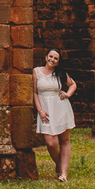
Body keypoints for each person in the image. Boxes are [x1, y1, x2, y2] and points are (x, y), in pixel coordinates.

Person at [33, 48, 76, 181]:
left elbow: (73, 84)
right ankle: (59, 165)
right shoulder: (37, 72)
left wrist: (68, 94)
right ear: (46, 57)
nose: (52, 59)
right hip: (46, 110)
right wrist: (40, 110)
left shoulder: (60, 73)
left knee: (64, 140)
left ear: (58, 62)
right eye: (50, 57)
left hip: (61, 108)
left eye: (55, 58)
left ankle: (63, 173)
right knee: (51, 143)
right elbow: (35, 93)